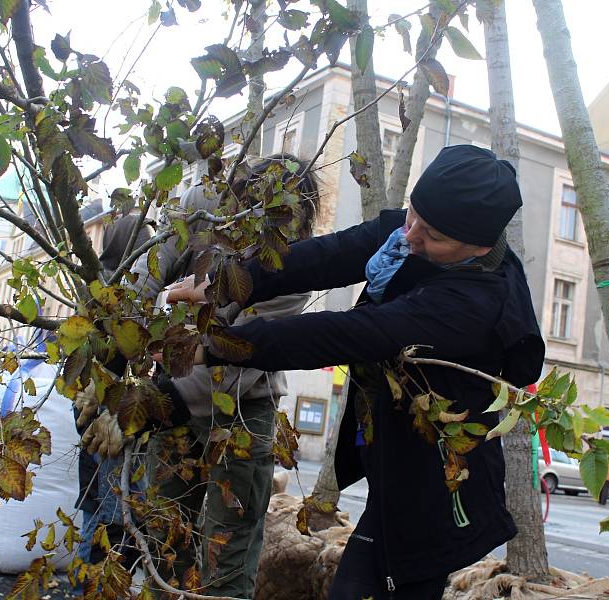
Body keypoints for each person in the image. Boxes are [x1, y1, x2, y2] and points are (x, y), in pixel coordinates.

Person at [167, 145, 546, 600]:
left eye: (431, 234)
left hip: (437, 498)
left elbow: (346, 333)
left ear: (480, 245)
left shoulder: (476, 303)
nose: (410, 235)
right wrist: (222, 282)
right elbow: (327, 255)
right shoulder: (418, 231)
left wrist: (214, 348)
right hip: (394, 475)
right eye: (413, 216)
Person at [82, 154, 319, 599]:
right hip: (171, 391)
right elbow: (146, 274)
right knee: (164, 535)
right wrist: (112, 358)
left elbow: (236, 360)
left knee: (227, 554)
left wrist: (150, 404)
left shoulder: (296, 268)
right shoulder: (203, 205)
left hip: (243, 410)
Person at [73, 213, 154, 569]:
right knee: (112, 518)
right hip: (110, 420)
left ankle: (85, 584)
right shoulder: (128, 295)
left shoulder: (93, 290)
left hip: (90, 415)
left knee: (94, 512)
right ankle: (96, 585)